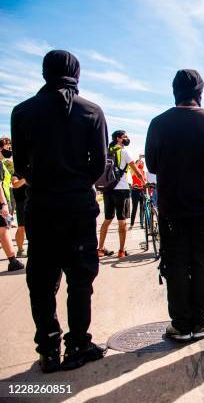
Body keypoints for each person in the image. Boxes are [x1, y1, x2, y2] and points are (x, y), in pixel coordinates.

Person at [11, 50, 108, 372]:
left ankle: (48, 349)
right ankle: (78, 343)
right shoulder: (91, 111)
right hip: (78, 204)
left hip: (41, 204)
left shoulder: (22, 111)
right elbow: (99, 163)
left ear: (44, 72)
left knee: (41, 279)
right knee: (80, 278)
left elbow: (22, 164)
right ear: (76, 74)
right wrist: (79, 181)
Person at [145, 69, 204, 342]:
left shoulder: (158, 123)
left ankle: (181, 323)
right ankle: (202, 319)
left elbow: (152, 165)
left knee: (176, 263)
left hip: (173, 206)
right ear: (200, 93)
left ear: (174, 91)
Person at [97, 130, 145, 258]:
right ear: (118, 138)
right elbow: (135, 169)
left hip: (108, 189)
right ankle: (121, 250)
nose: (127, 138)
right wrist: (143, 182)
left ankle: (100, 249)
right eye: (125, 137)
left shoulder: (107, 151)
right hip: (121, 189)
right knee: (122, 221)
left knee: (107, 219)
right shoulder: (124, 151)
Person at [0, 138, 23, 271]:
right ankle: (13, 261)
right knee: (4, 230)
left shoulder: (2, 164)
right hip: (1, 202)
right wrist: (3, 204)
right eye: (8, 148)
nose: (10, 151)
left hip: (5, 199)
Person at [11, 171, 28, 258]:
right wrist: (26, 178)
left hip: (33, 202)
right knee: (22, 227)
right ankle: (20, 250)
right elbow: (15, 184)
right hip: (21, 203)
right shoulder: (16, 174)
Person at [129, 157, 146, 229]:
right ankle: (132, 224)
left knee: (142, 208)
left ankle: (142, 223)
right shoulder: (133, 171)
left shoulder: (143, 172)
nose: (141, 163)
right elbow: (135, 166)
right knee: (134, 208)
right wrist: (139, 159)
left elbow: (145, 182)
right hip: (135, 190)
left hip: (142, 190)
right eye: (140, 163)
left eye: (142, 163)